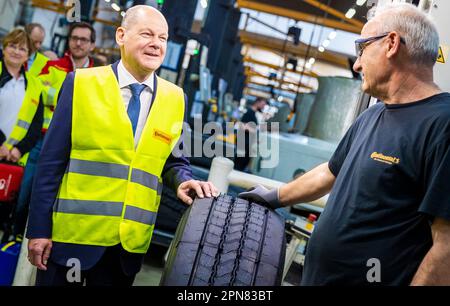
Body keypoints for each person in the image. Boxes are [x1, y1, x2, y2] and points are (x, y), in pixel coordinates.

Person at [240, 3, 450, 285]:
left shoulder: (442, 124)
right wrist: (275, 197)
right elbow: (331, 171)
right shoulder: (373, 114)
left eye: (362, 48)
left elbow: (446, 246)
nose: (357, 63)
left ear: (391, 44)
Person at [26, 5, 218, 286]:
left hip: (125, 249)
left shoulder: (175, 98)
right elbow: (51, 162)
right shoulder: (81, 84)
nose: (156, 44)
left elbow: (174, 160)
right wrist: (39, 229)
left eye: (163, 38)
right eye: (147, 34)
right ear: (121, 36)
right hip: (72, 240)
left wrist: (183, 181)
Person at [9, 22, 99, 239]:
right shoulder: (52, 66)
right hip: (43, 140)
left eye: (84, 39)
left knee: (63, 200)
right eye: (74, 38)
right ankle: (14, 237)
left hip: (78, 146)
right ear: (68, 41)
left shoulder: (99, 76)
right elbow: (40, 96)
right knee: (26, 194)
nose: (78, 43)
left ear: (92, 45)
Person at [0, 28, 43, 166]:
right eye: (12, 46)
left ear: (28, 55)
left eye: (22, 49)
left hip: (12, 159)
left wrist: (19, 149)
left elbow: (36, 125)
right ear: (4, 48)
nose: (16, 52)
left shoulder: (35, 85)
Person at [234, 97, 267, 171]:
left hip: (247, 144)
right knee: (239, 164)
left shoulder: (254, 114)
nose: (263, 107)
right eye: (263, 104)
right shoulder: (249, 113)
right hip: (243, 143)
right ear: (257, 102)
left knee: (243, 164)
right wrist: (255, 131)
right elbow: (243, 126)